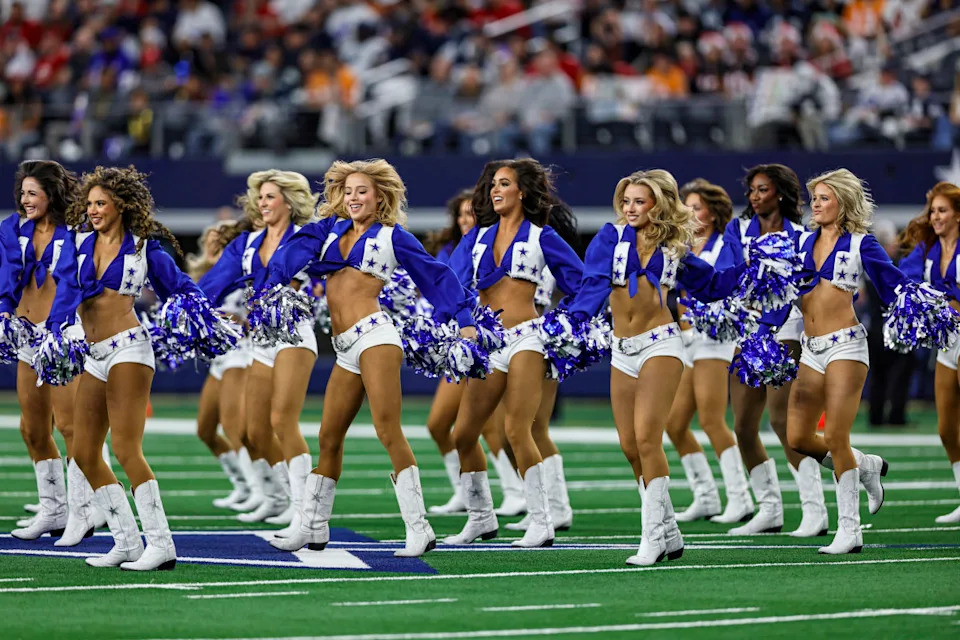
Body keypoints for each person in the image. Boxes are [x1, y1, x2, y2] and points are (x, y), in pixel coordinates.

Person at [260, 158, 478, 558]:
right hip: (344, 348)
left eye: (363, 191)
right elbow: (293, 253)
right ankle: (312, 526)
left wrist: (464, 321)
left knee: (387, 429)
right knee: (328, 437)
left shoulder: (393, 237)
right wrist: (275, 283)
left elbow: (436, 276)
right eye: (348, 191)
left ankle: (419, 528)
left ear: (380, 197)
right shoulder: (329, 229)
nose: (354, 197)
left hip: (377, 338)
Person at [45, 165, 230, 571]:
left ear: (121, 206)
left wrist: (202, 318)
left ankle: (161, 543)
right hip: (93, 354)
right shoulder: (76, 244)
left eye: (101, 203)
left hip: (130, 349)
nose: (92, 210)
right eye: (90, 203)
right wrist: (57, 331)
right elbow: (64, 293)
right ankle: (127, 541)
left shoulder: (146, 249)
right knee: (84, 451)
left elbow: (181, 289)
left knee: (127, 448)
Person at [568, 169, 744, 566]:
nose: (630, 208)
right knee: (631, 446)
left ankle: (650, 538)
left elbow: (712, 285)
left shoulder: (673, 245)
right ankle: (668, 531)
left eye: (639, 201)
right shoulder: (608, 238)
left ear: (658, 204)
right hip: (621, 348)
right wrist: (574, 320)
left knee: (649, 438)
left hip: (661, 343)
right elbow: (593, 284)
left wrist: (753, 269)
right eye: (626, 201)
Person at [445, 158, 584, 548]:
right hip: (488, 343)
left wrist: (568, 323)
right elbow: (450, 282)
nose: (495, 190)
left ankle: (542, 521)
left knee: (517, 429)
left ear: (521, 191)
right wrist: (460, 319)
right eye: (493, 184)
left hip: (528, 337)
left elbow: (581, 284)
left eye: (503, 183)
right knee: (464, 434)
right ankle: (481, 518)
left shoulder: (542, 237)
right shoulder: (477, 237)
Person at [770, 168, 896, 554]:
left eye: (824, 199)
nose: (816, 206)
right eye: (815, 199)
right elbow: (784, 292)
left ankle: (850, 530)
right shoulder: (803, 243)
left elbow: (893, 285)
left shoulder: (862, 244)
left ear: (843, 203)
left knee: (837, 436)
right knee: (796, 437)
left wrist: (922, 308)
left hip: (847, 346)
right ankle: (866, 466)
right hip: (811, 348)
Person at [198, 171, 318, 534]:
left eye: (270, 197)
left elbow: (300, 272)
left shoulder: (309, 237)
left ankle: (306, 515)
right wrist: (186, 306)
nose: (263, 203)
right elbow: (214, 282)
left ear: (289, 201)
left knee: (282, 420)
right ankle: (284, 498)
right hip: (261, 340)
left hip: (294, 333)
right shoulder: (247, 245)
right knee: (253, 432)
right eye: (260, 198)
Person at [716, 164, 829, 538]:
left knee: (783, 423)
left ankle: (815, 509)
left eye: (762, 190)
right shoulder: (738, 229)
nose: (753, 196)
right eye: (751, 190)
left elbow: (799, 286)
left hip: (786, 331)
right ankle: (770, 508)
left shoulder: (800, 235)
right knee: (744, 426)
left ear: (778, 194)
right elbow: (729, 273)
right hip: (747, 333)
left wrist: (772, 318)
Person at [2, 160, 103, 545]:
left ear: (51, 195)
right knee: (31, 428)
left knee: (70, 426)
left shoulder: (76, 233)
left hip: (61, 336)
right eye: (23, 193)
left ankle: (82, 510)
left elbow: (73, 284)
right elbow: (6, 276)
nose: (26, 200)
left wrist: (61, 327)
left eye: (33, 193)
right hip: (27, 335)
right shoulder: (12, 229)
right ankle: (53, 510)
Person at [664, 179, 753, 524]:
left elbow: (728, 284)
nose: (690, 212)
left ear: (714, 214)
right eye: (686, 207)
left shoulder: (724, 245)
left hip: (715, 339)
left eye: (696, 207)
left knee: (712, 419)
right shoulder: (682, 245)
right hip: (686, 341)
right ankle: (706, 495)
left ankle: (740, 497)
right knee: (674, 424)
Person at [899, 182, 960, 523]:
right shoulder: (928, 248)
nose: (935, 217)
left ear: (958, 215)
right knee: (946, 428)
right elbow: (904, 277)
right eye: (933, 211)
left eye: (942, 211)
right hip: (947, 341)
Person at [187, 220, 256, 510]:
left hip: (240, 354)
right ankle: (242, 485)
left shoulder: (243, 275)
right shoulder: (203, 278)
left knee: (233, 426)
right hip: (219, 358)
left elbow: (258, 316)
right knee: (205, 429)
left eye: (218, 242)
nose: (211, 247)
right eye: (209, 242)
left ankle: (261, 491)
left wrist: (239, 320)